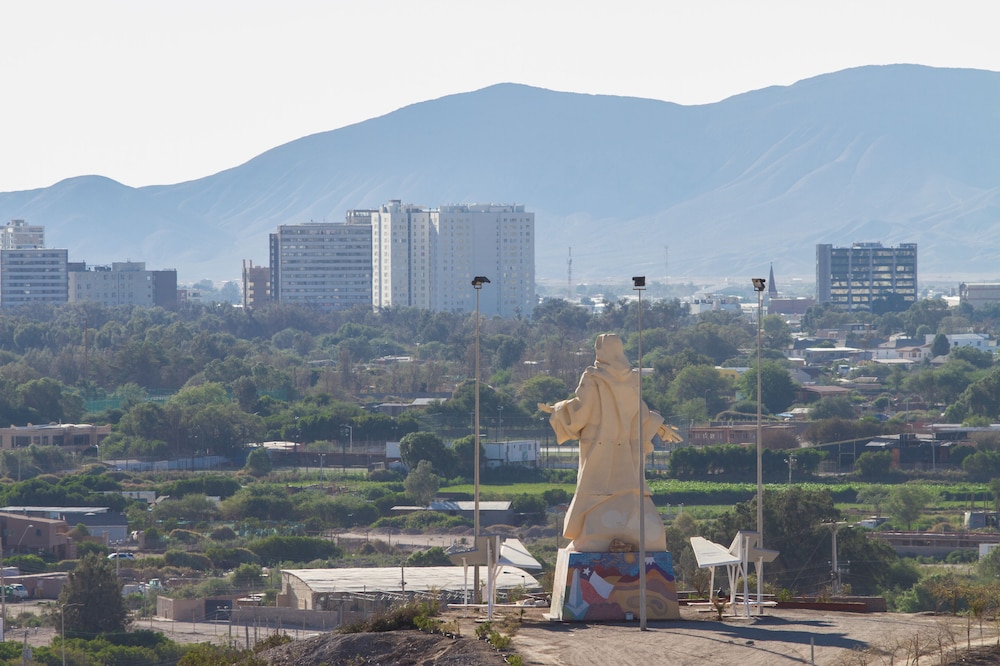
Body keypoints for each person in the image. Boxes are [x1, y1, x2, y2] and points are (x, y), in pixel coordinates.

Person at [539, 333, 680, 552]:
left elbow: (581, 411)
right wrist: (660, 426)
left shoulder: (592, 377)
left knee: (597, 487)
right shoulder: (632, 378)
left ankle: (594, 532)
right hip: (628, 453)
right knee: (628, 486)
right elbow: (640, 412)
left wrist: (558, 410)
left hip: (599, 448)